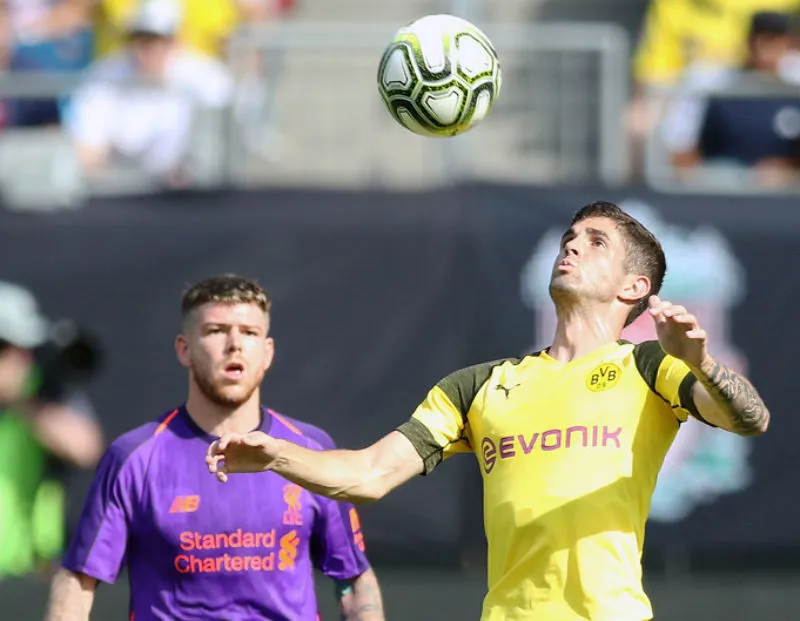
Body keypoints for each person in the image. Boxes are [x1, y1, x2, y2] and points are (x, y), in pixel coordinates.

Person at [206, 201, 771, 621]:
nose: (571, 245)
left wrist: (701, 362)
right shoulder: (479, 386)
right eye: (570, 237)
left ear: (635, 287)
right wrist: (278, 454)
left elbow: (749, 418)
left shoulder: (650, 367)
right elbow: (370, 475)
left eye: (596, 242)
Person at [45, 275, 384, 621]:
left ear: (267, 353)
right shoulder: (135, 456)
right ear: (184, 349)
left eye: (249, 333)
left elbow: (353, 578)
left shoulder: (310, 449)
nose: (234, 344)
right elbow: (78, 577)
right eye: (216, 331)